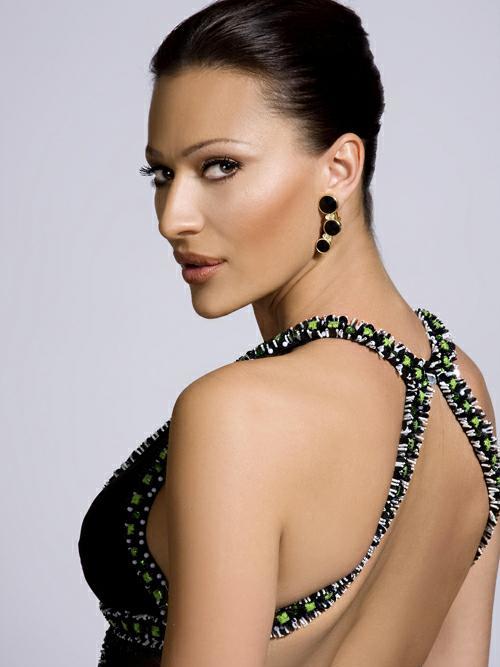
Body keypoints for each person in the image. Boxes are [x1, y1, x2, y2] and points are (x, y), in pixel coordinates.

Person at [78, 0, 500, 665]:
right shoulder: (462, 389)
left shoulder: (236, 414)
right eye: (161, 174)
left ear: (340, 168)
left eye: (220, 166)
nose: (172, 217)